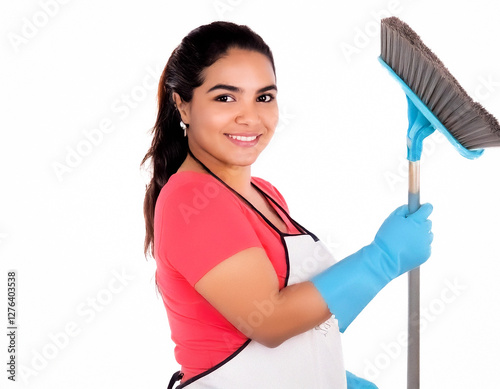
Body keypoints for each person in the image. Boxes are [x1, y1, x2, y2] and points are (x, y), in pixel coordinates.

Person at [142, 21, 433, 389]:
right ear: (182, 104)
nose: (250, 117)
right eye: (225, 98)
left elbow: (311, 314)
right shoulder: (192, 201)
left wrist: (328, 375)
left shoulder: (266, 195)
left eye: (264, 97)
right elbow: (270, 320)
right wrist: (382, 259)